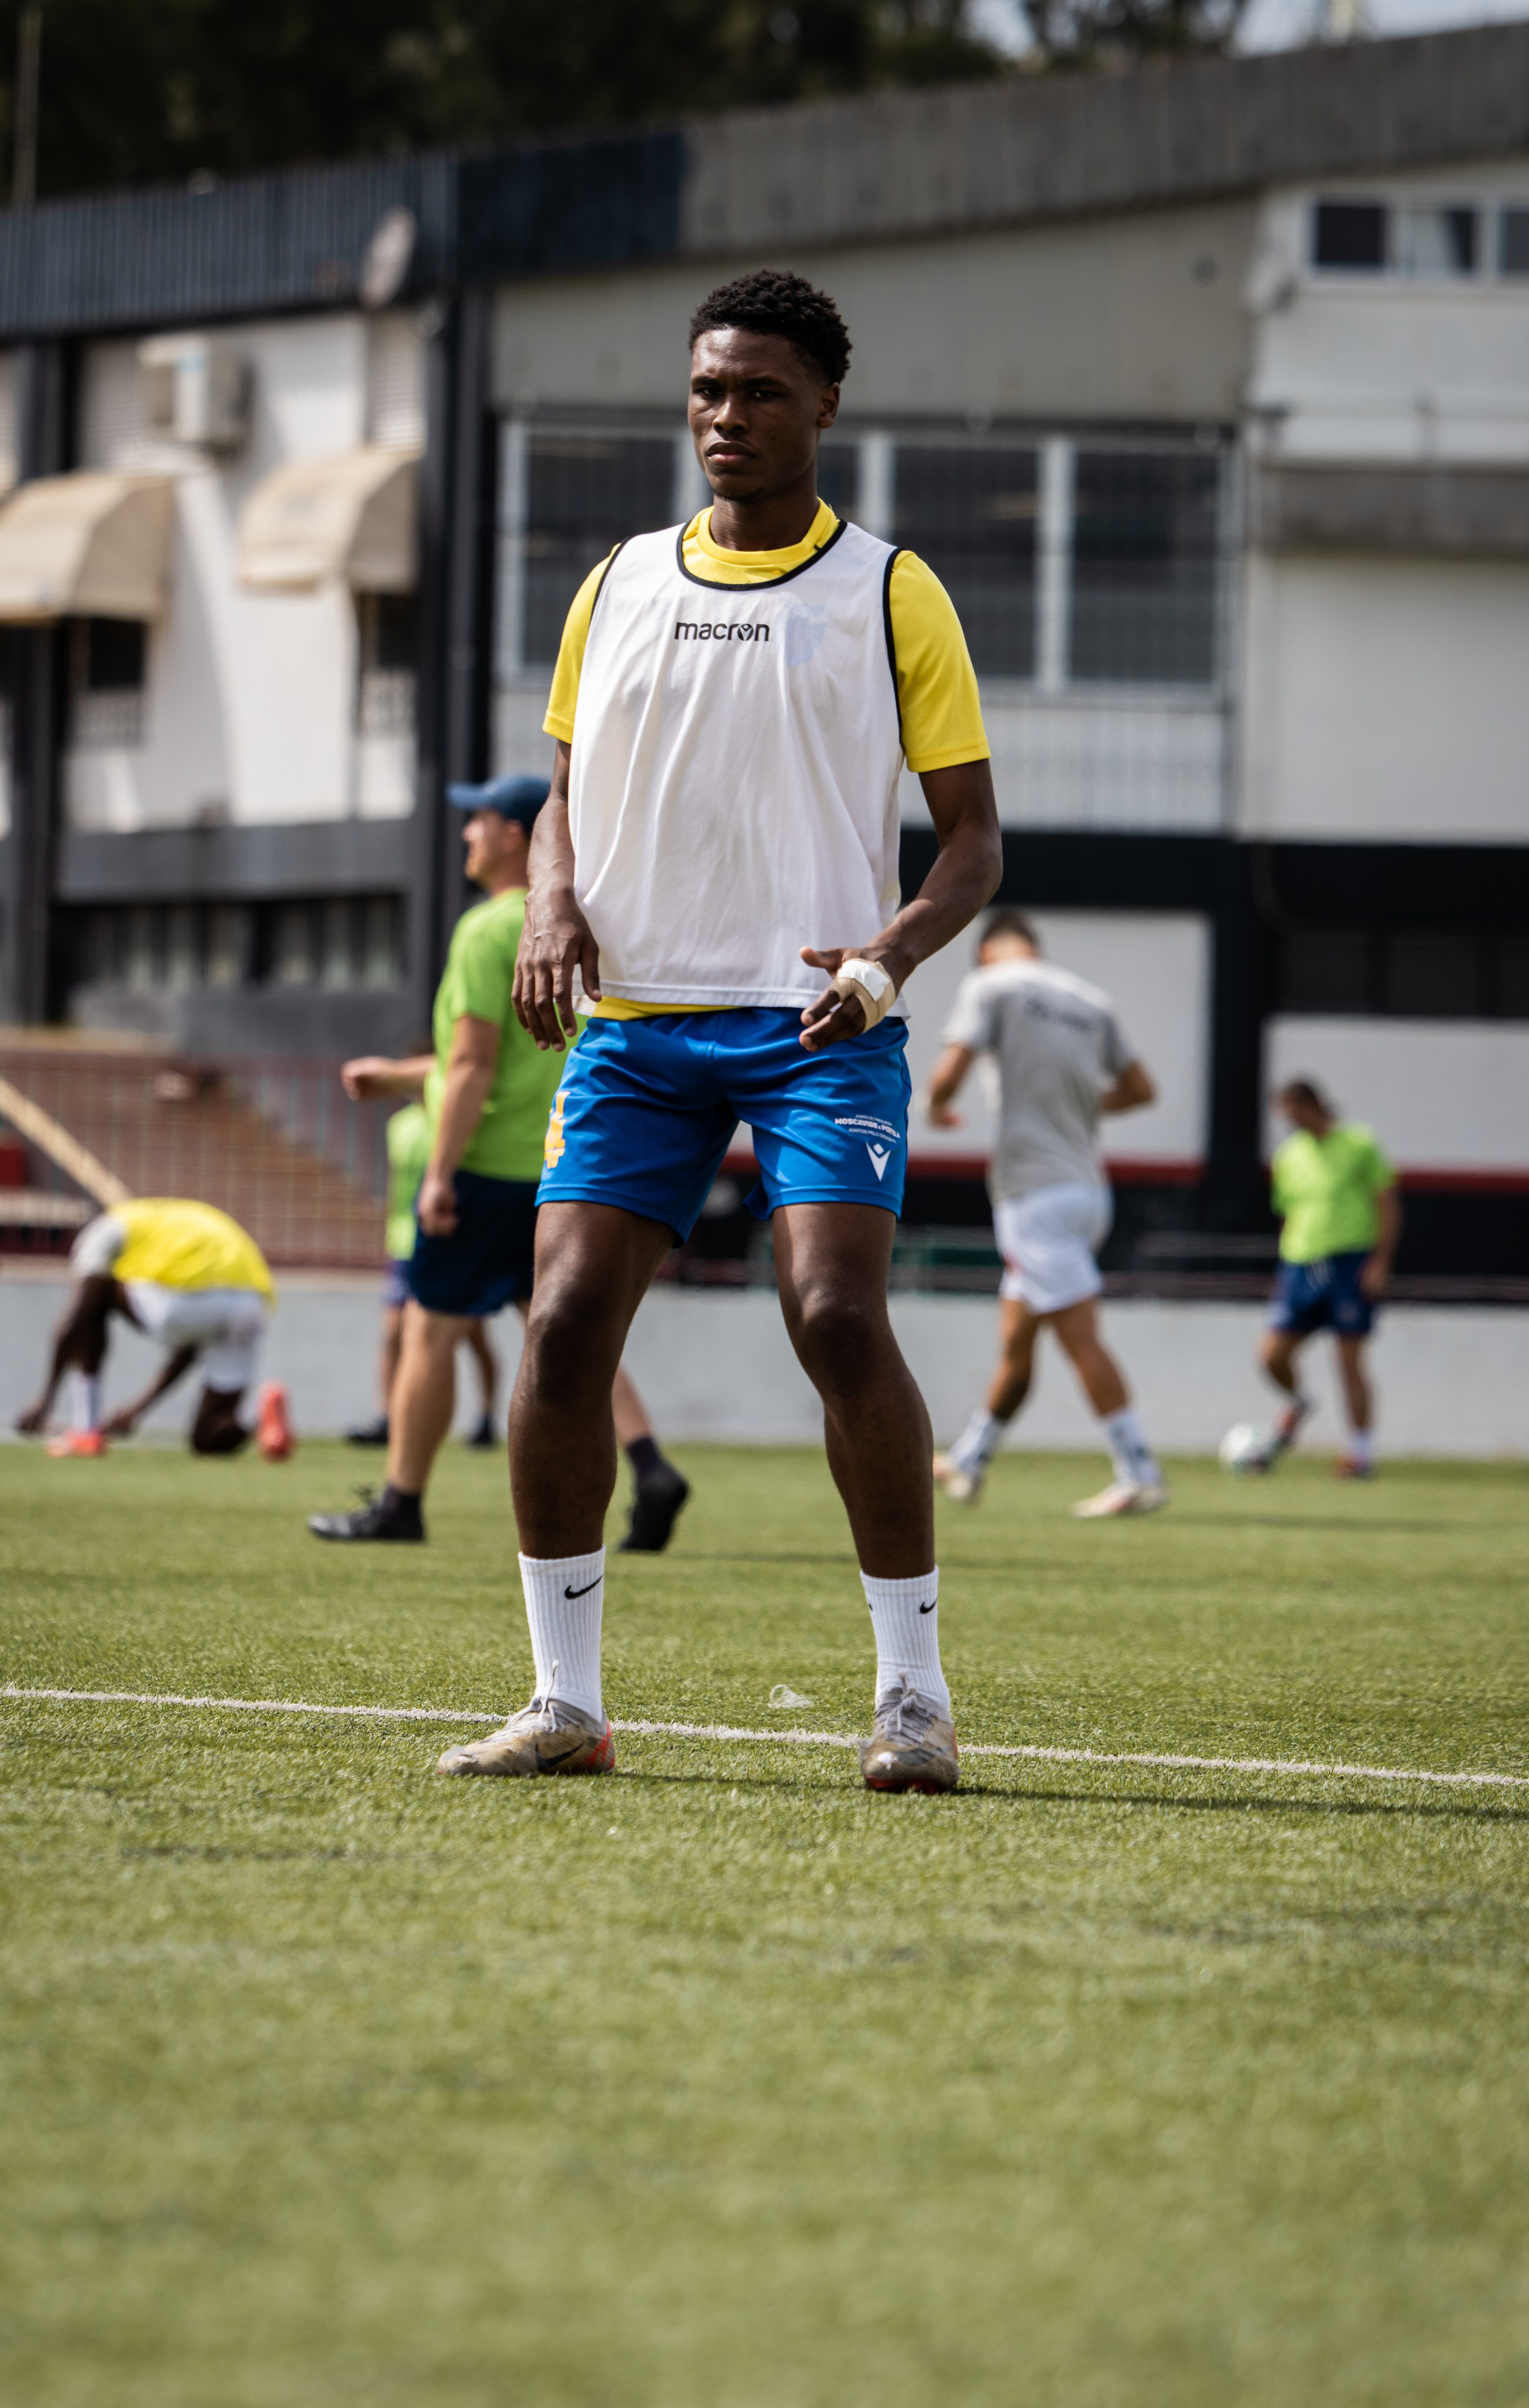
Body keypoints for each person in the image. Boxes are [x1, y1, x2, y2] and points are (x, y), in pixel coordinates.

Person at [433, 266, 1001, 1794]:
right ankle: (564, 1704)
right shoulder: (615, 578)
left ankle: (912, 1697)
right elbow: (559, 794)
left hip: (821, 1019)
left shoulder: (891, 588)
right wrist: (550, 908)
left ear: (824, 403)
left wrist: (887, 959)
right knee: (554, 1331)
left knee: (831, 1315)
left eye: (757, 390)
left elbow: (970, 844)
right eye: (704, 389)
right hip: (634, 1021)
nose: (724, 416)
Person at [310, 776, 691, 1550]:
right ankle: (651, 1465)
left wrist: (441, 1175)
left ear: (518, 833)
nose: (467, 835)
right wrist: (394, 1076)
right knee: (570, 1334)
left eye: (478, 820)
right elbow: (504, 1060)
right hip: (563, 1162)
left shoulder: (490, 929)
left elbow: (474, 1067)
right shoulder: (587, 922)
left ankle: (401, 1501)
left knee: (430, 1332)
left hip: (488, 1168)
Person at [925, 911, 1169, 1518]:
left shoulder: (991, 986)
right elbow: (1142, 1089)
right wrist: (1078, 1108)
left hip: (1033, 1194)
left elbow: (950, 1070)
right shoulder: (1091, 1000)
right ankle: (970, 1458)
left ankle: (1138, 1470)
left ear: (986, 953)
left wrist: (935, 1107)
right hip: (1086, 1192)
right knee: (1017, 1341)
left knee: (1079, 1338)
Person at [14, 1195, 292, 1459]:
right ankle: (260, 1424)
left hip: (187, 1302)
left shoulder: (105, 1230)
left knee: (97, 1296)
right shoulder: (183, 1219)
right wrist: (139, 1409)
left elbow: (77, 1318)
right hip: (250, 1305)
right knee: (207, 1439)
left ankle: (86, 1428)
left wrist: (46, 1399)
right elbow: (192, 1344)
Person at [1256, 1077, 1400, 1479]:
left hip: (1350, 1263)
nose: (1289, 1121)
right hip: (1301, 1265)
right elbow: (1288, 1211)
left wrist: (1380, 1262)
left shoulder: (1359, 1143)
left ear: (1313, 1105)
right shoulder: (1288, 1156)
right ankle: (1300, 1402)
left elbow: (1387, 1203)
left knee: (1348, 1360)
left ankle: (1360, 1452)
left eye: (1293, 1111)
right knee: (1271, 1355)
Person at [345, 1100, 503, 1452]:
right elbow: (398, 1183)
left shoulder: (457, 1114)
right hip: (405, 1242)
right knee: (394, 1331)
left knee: (472, 1335)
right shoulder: (400, 1124)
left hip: (454, 1237)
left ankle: (487, 1417)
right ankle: (387, 1419)